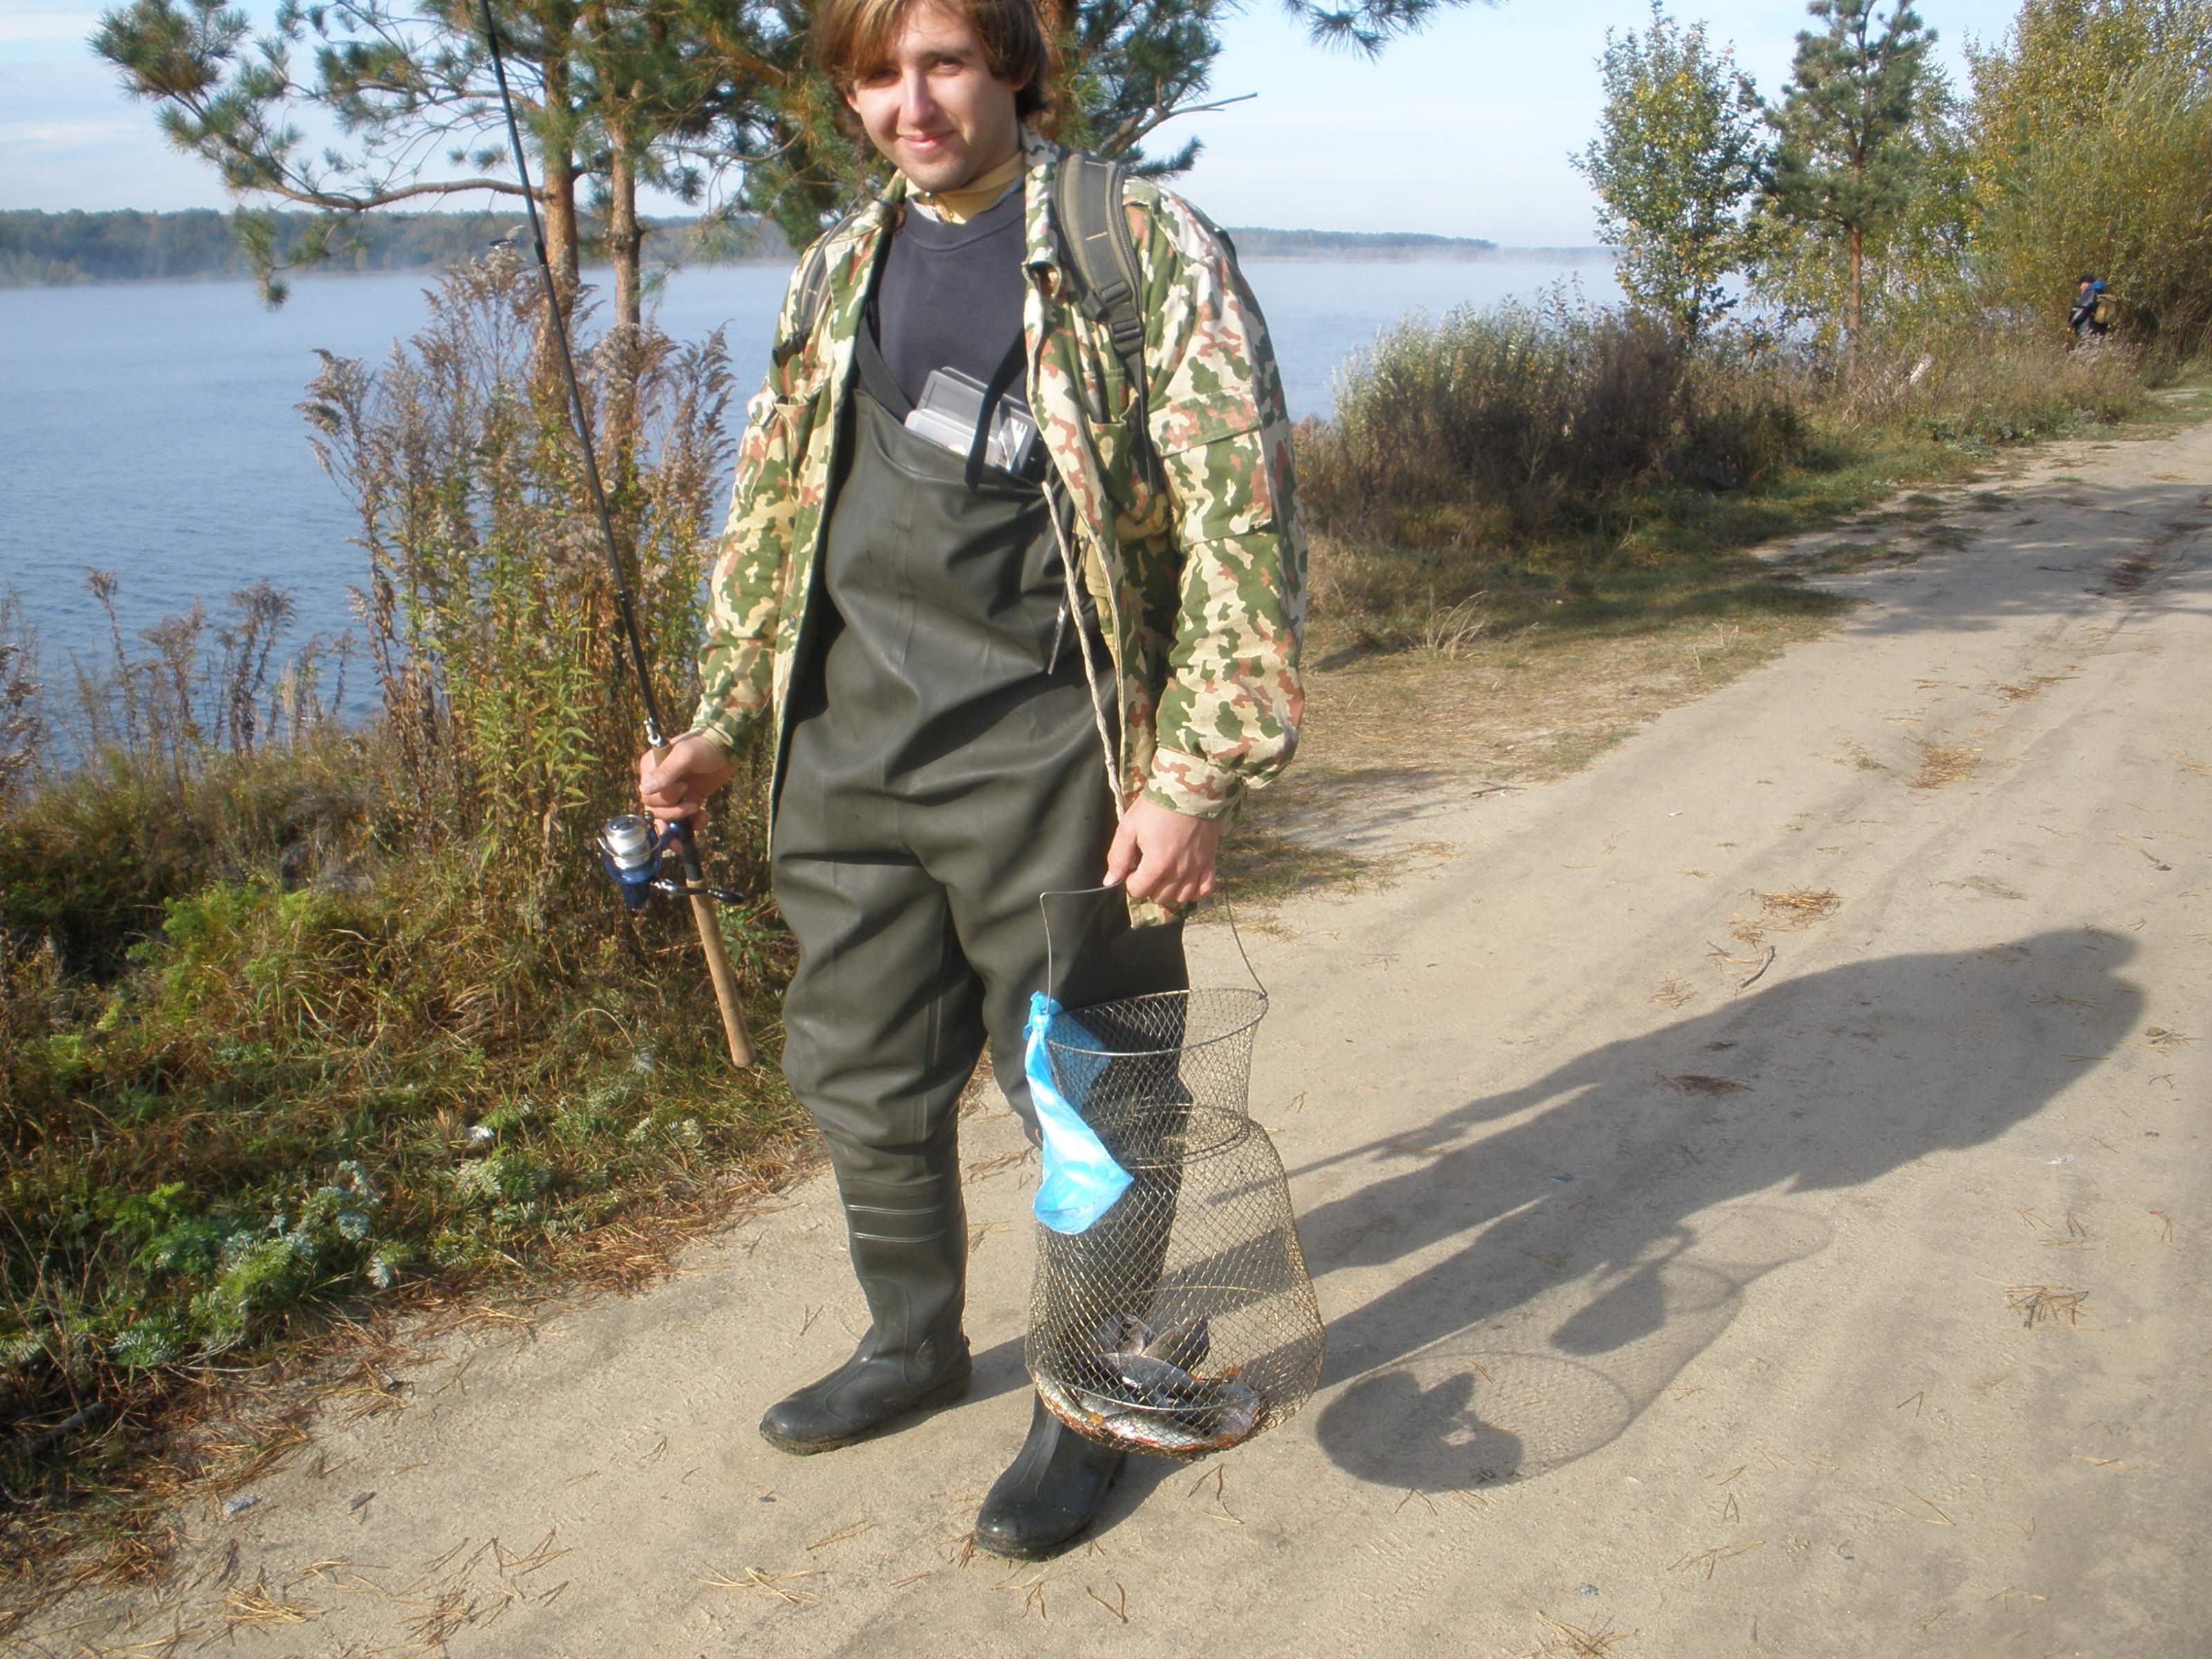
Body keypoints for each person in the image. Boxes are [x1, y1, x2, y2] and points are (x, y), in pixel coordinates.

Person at [637, 0, 1304, 1559]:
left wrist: (1195, 776)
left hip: (1050, 751)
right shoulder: (839, 262)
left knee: (1089, 1090)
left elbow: (1244, 521)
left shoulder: (1136, 245)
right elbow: (773, 507)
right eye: (877, 74)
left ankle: (1087, 1395)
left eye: (941, 62)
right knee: (859, 1072)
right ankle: (911, 1344)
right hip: (846, 747)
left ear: (1010, 62)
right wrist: (723, 720)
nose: (911, 103)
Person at [2070, 274, 2110, 340]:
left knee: (2085, 346)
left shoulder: (2088, 295)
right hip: (2101, 332)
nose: (2080, 287)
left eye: (2081, 284)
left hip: (2087, 331)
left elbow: (2078, 313)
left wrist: (2071, 323)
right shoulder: (2101, 295)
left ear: (2087, 284)